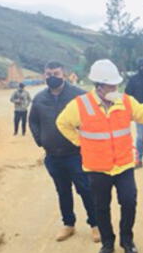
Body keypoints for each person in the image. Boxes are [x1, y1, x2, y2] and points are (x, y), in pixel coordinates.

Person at [56, 59, 143, 253]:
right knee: (101, 206)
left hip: (124, 164)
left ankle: (127, 241)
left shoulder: (124, 101)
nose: (115, 88)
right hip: (97, 167)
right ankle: (108, 243)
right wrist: (80, 142)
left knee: (128, 201)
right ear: (98, 86)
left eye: (116, 85)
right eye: (111, 85)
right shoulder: (80, 105)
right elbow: (62, 123)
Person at [28, 61, 98, 243]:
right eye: (48, 73)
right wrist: (40, 139)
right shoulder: (39, 99)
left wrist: (88, 141)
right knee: (62, 191)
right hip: (53, 155)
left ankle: (96, 224)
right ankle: (68, 224)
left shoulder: (80, 96)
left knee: (86, 189)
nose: (52, 77)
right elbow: (33, 121)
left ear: (64, 74)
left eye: (56, 73)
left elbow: (94, 119)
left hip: (77, 154)